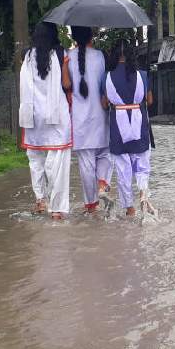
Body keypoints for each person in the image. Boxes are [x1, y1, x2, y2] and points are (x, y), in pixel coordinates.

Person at [19, 22, 73, 220]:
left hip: (33, 115)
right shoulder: (60, 54)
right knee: (57, 159)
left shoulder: (25, 55)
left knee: (35, 159)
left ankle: (41, 200)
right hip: (56, 114)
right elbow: (66, 84)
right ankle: (56, 209)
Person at [102, 41, 153, 217]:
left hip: (118, 129)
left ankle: (129, 209)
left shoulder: (106, 76)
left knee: (123, 170)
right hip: (140, 126)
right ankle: (143, 196)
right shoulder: (143, 75)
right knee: (142, 166)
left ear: (114, 56)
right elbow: (150, 101)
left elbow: (104, 103)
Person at [68, 26, 112, 214]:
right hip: (101, 115)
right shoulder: (101, 56)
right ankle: (103, 182)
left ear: (74, 37)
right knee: (105, 154)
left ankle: (91, 205)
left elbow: (66, 86)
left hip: (79, 119)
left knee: (86, 164)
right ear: (91, 36)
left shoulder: (67, 58)